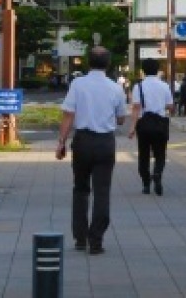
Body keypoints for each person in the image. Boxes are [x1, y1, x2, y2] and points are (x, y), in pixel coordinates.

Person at [56, 47, 129, 255]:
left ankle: (80, 237)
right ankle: (96, 239)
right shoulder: (115, 88)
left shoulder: (78, 84)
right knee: (102, 190)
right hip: (105, 142)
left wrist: (61, 142)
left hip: (83, 141)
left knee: (80, 188)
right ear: (108, 64)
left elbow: (68, 115)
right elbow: (121, 118)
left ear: (89, 62)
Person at [128, 59, 174, 195]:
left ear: (143, 70)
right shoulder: (164, 86)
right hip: (160, 123)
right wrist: (160, 105)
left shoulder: (139, 87)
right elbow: (171, 107)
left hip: (144, 124)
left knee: (143, 155)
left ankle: (146, 184)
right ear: (157, 69)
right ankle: (158, 173)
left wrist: (132, 127)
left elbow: (136, 108)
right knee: (160, 154)